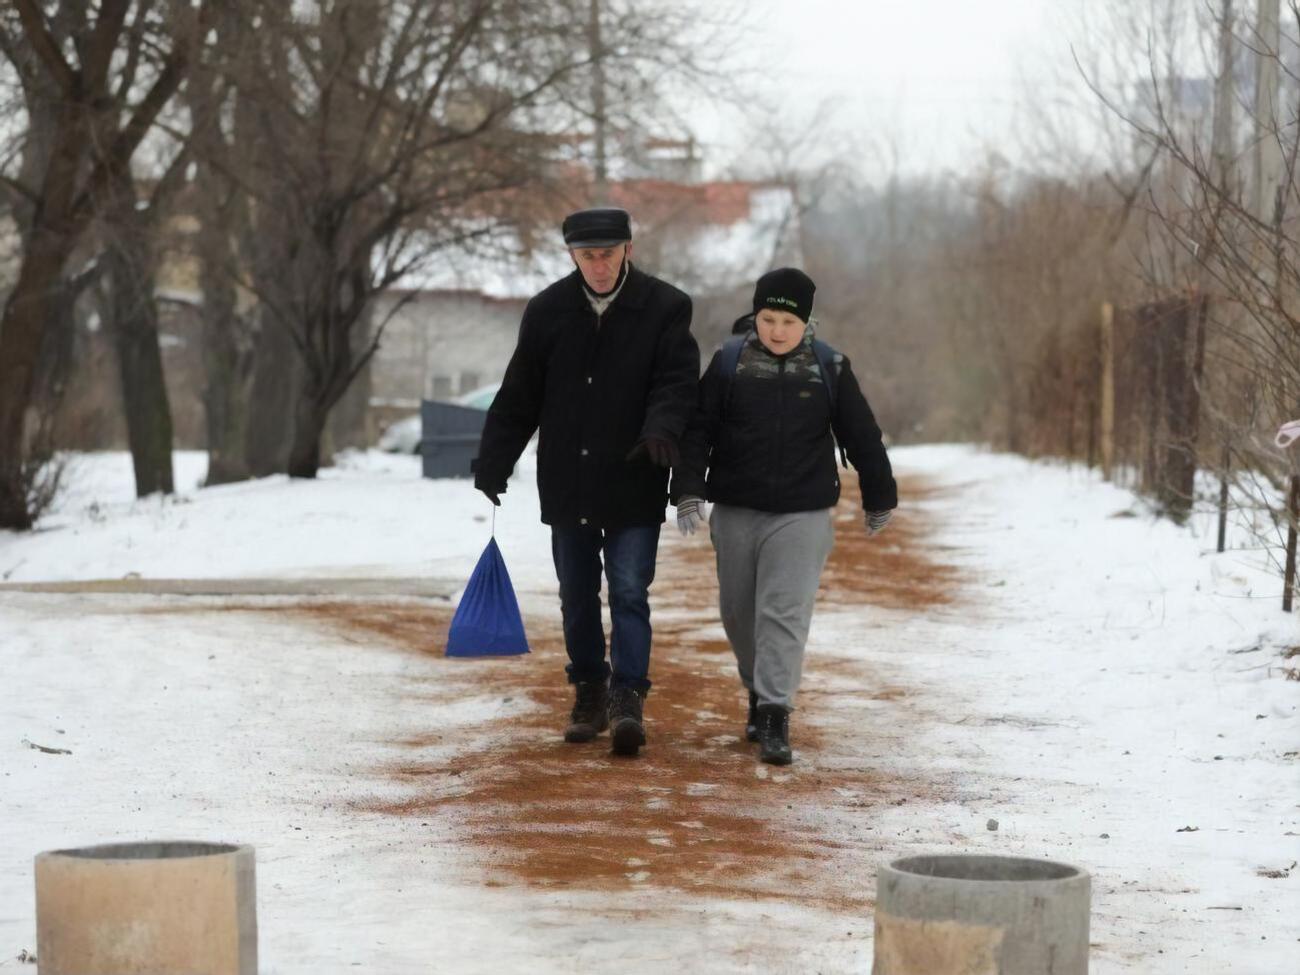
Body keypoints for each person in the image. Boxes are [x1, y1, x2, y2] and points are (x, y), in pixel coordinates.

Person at [472, 207, 699, 757]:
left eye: (609, 253)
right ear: (572, 255)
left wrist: (662, 429)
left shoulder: (666, 307)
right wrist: (493, 460)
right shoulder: (547, 311)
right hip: (568, 479)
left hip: (634, 475)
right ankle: (590, 692)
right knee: (576, 595)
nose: (599, 266)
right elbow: (520, 393)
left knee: (627, 592)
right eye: (587, 256)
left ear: (629, 249)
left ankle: (628, 700)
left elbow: (677, 382)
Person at [671, 267, 896, 765]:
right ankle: (757, 687)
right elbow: (698, 431)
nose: (776, 330)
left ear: (806, 321)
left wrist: (880, 494)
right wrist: (687, 489)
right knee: (739, 613)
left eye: (787, 321)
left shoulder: (829, 367)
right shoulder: (729, 363)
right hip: (736, 509)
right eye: (768, 318)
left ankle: (775, 712)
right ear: (755, 316)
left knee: (783, 613)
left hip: (803, 512)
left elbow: (862, 436)